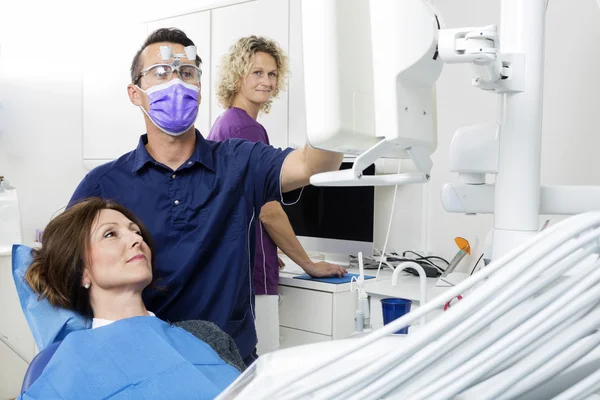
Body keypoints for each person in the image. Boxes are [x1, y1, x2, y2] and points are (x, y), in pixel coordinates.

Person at [68, 28, 343, 365]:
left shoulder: (239, 161)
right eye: (161, 73)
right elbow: (63, 269)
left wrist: (339, 82)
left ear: (198, 90)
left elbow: (313, 165)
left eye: (187, 73)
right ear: (135, 93)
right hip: (144, 361)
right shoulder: (104, 183)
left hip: (227, 360)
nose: (177, 83)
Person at [20, 198, 241, 399]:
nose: (136, 239)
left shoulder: (206, 336)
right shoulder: (69, 367)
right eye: (110, 234)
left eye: (136, 232)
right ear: (81, 271)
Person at [208, 35, 347, 354]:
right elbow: (267, 210)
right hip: (252, 274)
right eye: (257, 72)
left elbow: (238, 203)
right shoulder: (246, 129)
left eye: (272, 74)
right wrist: (309, 264)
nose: (267, 81)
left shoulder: (228, 123)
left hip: (238, 264)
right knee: (263, 369)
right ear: (237, 76)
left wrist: (269, 248)